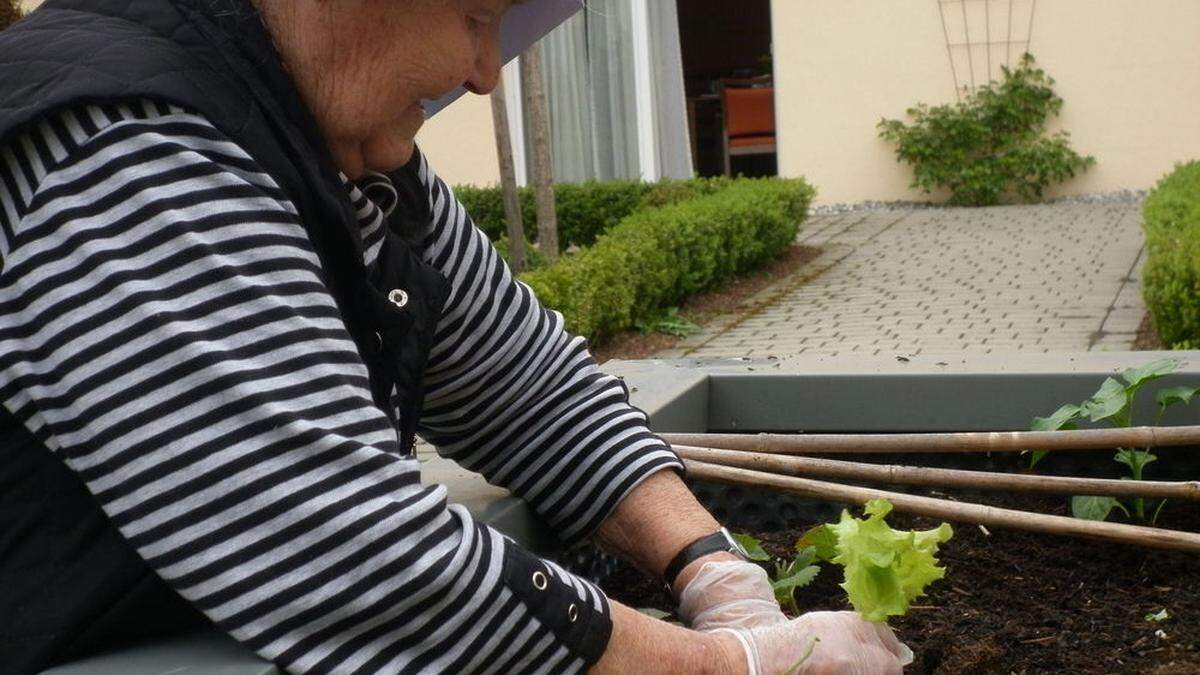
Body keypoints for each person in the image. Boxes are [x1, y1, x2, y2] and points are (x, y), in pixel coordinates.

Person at [0, 1, 911, 673]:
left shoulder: (341, 149)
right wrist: (734, 666)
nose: (484, 72)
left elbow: (533, 390)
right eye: (477, 19)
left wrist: (710, 565)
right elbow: (361, 565)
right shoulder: (131, 153)